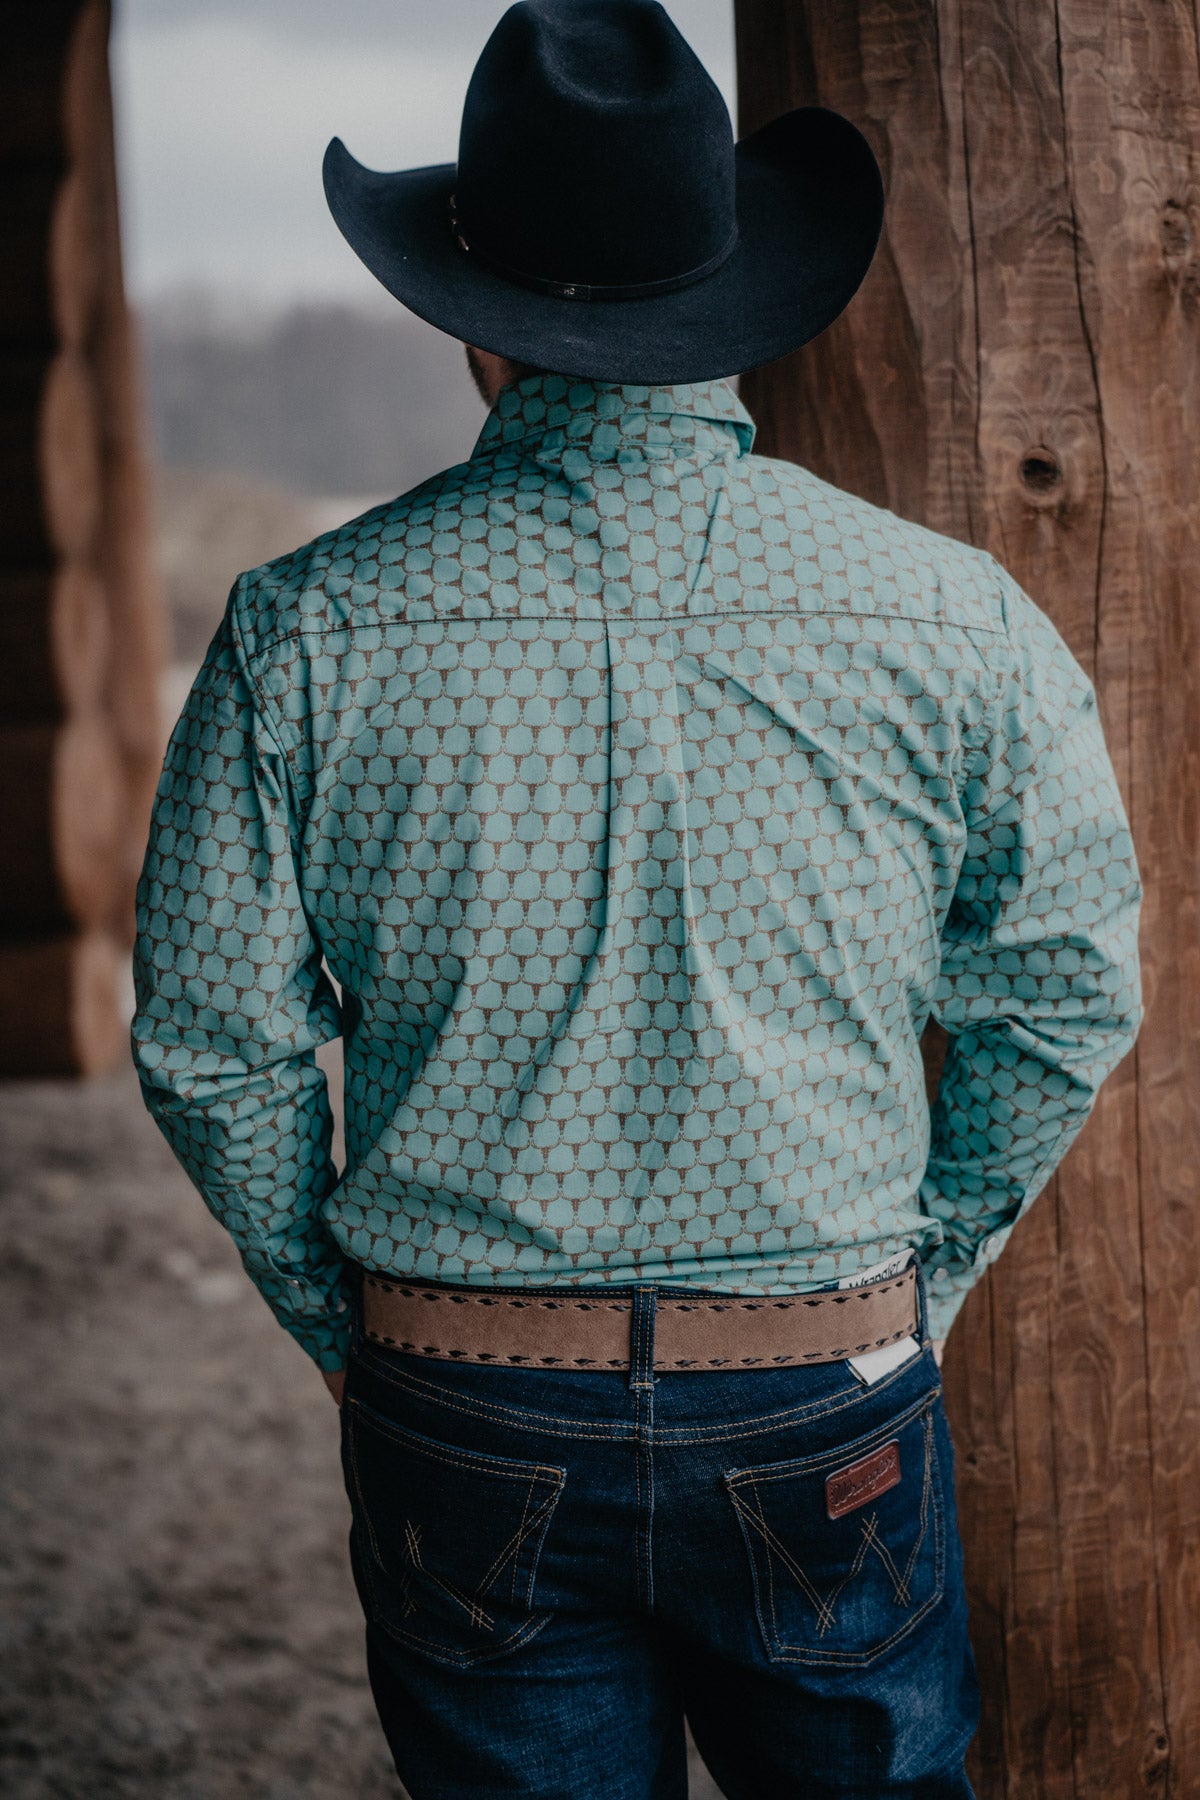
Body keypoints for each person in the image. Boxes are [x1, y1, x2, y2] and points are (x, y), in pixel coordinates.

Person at [129, 3, 1144, 1795]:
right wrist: (930, 1267)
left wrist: (337, 1318)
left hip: (464, 1397)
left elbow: (216, 1049)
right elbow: (1066, 993)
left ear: (469, 328)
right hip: (824, 1389)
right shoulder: (956, 617)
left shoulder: (308, 628)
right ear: (729, 291)